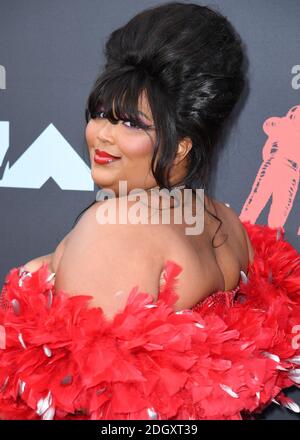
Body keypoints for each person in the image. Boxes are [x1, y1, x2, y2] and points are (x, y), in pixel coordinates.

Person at [0, 1, 299, 421]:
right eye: (102, 114)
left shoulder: (112, 227)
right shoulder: (226, 223)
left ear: (181, 146)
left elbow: (93, 408)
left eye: (131, 124)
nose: (102, 135)